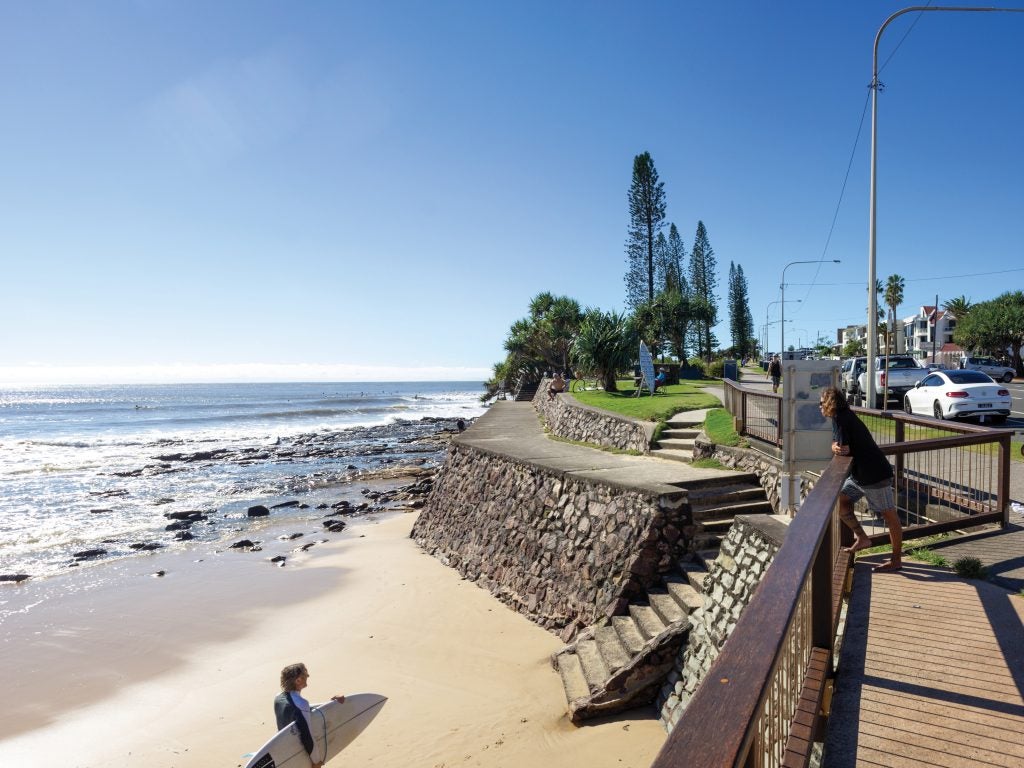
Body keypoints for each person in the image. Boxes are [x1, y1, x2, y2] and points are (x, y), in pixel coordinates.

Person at [819, 387, 903, 572]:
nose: (820, 407)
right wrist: (835, 446)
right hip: (859, 476)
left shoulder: (840, 419)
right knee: (842, 500)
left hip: (873, 475)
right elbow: (841, 446)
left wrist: (835, 447)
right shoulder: (844, 415)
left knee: (890, 516)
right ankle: (863, 538)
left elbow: (843, 449)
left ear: (829, 404)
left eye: (821, 403)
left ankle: (896, 559)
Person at [274, 663, 345, 768]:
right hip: (299, 754)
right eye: (305, 674)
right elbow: (307, 736)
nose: (308, 676)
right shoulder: (301, 704)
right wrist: (316, 762)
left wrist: (330, 704)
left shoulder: (278, 698)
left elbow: (299, 709)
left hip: (284, 753)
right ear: (298, 680)